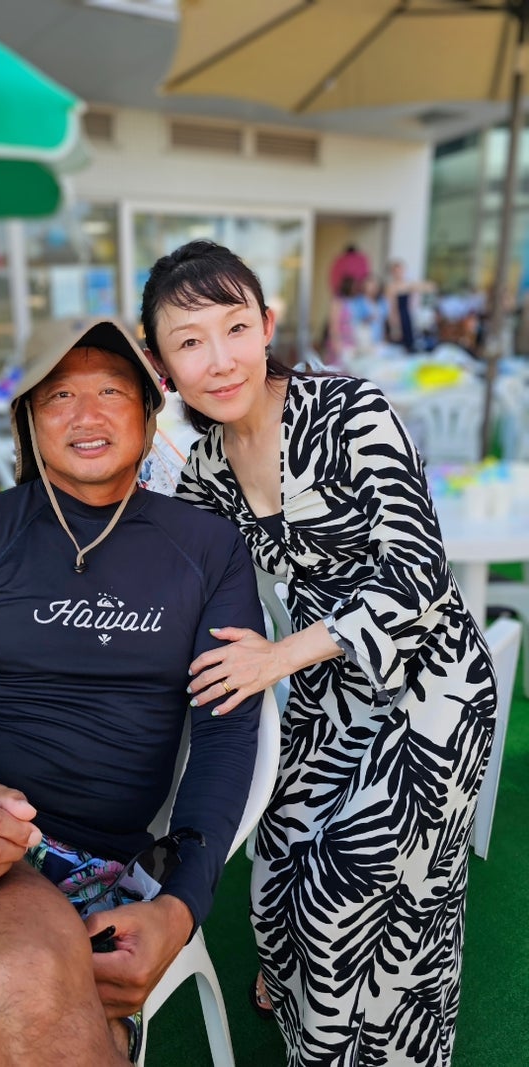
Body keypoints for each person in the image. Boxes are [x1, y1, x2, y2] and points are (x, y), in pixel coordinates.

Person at [0, 316, 267, 1066]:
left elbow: (225, 735)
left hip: (104, 866)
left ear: (148, 413)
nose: (86, 413)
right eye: (59, 394)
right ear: (28, 422)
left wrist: (181, 905)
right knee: (21, 981)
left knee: (17, 1002)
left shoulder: (208, 550)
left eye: (111, 390)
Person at [140, 240, 498, 1067]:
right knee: (276, 875)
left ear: (267, 327)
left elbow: (419, 576)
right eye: (189, 341)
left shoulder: (351, 411)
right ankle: (305, 1006)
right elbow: (174, 574)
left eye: (236, 327)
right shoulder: (205, 470)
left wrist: (274, 658)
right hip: (329, 694)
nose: (220, 359)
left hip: (432, 685)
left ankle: (375, 1049)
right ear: (163, 365)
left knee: (349, 890)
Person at [385, 258, 436, 352]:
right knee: (398, 342)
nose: (399, 273)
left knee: (410, 341)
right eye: (396, 271)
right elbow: (391, 306)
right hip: (398, 316)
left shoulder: (408, 284)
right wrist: (393, 321)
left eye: (400, 270)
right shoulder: (391, 287)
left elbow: (429, 287)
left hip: (407, 315)